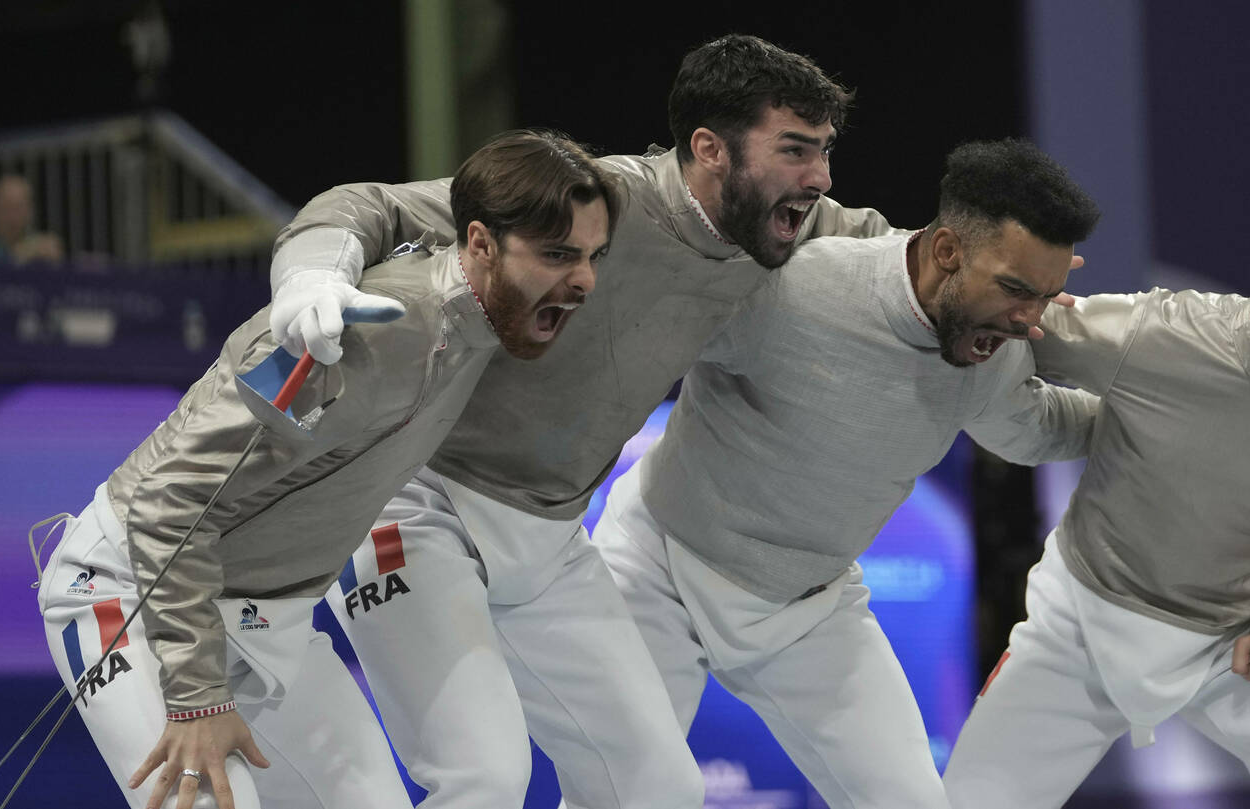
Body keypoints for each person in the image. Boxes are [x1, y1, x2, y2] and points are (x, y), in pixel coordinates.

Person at [267, 34, 892, 809]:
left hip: (551, 541)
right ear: (710, 149)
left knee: (657, 786)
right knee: (485, 777)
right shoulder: (593, 201)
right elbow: (368, 203)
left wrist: (1036, 301)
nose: (821, 177)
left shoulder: (794, 227)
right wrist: (310, 277)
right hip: (418, 505)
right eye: (796, 150)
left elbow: (927, 265)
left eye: (826, 151)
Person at [35, 130, 616, 809]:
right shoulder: (357, 331)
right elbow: (170, 499)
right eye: (558, 255)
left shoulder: (490, 320)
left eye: (593, 256)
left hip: (265, 619)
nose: (585, 280)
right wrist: (194, 699)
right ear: (481, 243)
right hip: (129, 593)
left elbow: (391, 207)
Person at [591, 138, 1099, 809]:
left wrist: (1162, 418)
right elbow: (639, 333)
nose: (1028, 320)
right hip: (658, 570)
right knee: (630, 796)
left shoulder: (993, 356)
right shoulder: (799, 286)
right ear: (947, 250)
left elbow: (1036, 430)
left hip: (807, 609)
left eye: (1044, 296)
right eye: (1013, 289)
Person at [942, 186, 1250, 808]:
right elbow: (1013, 320)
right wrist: (956, 270)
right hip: (1080, 627)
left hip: (1232, 642)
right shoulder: (1156, 335)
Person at [0, 174, 64, 263]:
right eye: (6, 207)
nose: (13, 217)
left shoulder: (37, 243)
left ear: (31, 211)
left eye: (19, 208)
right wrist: (17, 256)